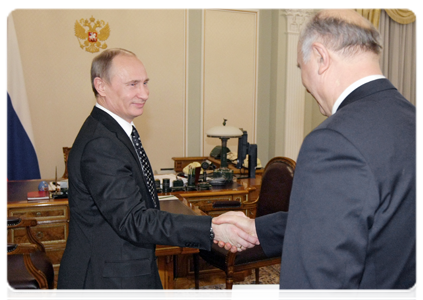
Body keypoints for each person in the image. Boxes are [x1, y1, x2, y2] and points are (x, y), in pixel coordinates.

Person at [214, 8, 419, 300]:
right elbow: (365, 220)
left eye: (301, 67)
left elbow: (319, 283)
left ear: (321, 58)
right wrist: (258, 227)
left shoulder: (333, 141)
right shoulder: (415, 122)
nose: (304, 82)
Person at [56, 48, 258, 300]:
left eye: (145, 83)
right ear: (101, 86)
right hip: (108, 282)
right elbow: (134, 219)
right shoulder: (101, 143)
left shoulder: (116, 132)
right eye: (133, 84)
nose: (144, 93)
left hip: (126, 267)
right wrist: (211, 229)